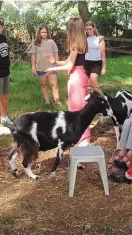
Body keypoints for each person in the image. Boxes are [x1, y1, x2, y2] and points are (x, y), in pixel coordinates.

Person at [45, 17, 90, 147]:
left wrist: (53, 68)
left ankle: (83, 138)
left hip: (77, 76)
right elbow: (71, 61)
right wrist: (56, 62)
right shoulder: (81, 42)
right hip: (79, 74)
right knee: (78, 107)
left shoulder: (75, 44)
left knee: (78, 109)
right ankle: (80, 136)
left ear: (72, 29)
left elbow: (70, 65)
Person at [30, 24, 60, 104]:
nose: (44, 34)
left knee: (54, 85)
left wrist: (57, 66)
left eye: (45, 32)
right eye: (42, 32)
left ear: (48, 33)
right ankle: (47, 101)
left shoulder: (51, 42)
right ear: (39, 33)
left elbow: (56, 54)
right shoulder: (36, 43)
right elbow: (33, 56)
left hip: (51, 67)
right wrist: (33, 67)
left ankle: (57, 101)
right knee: (43, 84)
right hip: (40, 68)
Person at [85, 21, 107, 87]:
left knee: (93, 79)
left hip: (96, 63)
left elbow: (103, 53)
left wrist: (104, 67)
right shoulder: (85, 39)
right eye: (87, 29)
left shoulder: (100, 38)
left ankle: (102, 96)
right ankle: (91, 96)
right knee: (88, 84)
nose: (88, 31)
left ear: (94, 28)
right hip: (86, 62)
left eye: (90, 29)